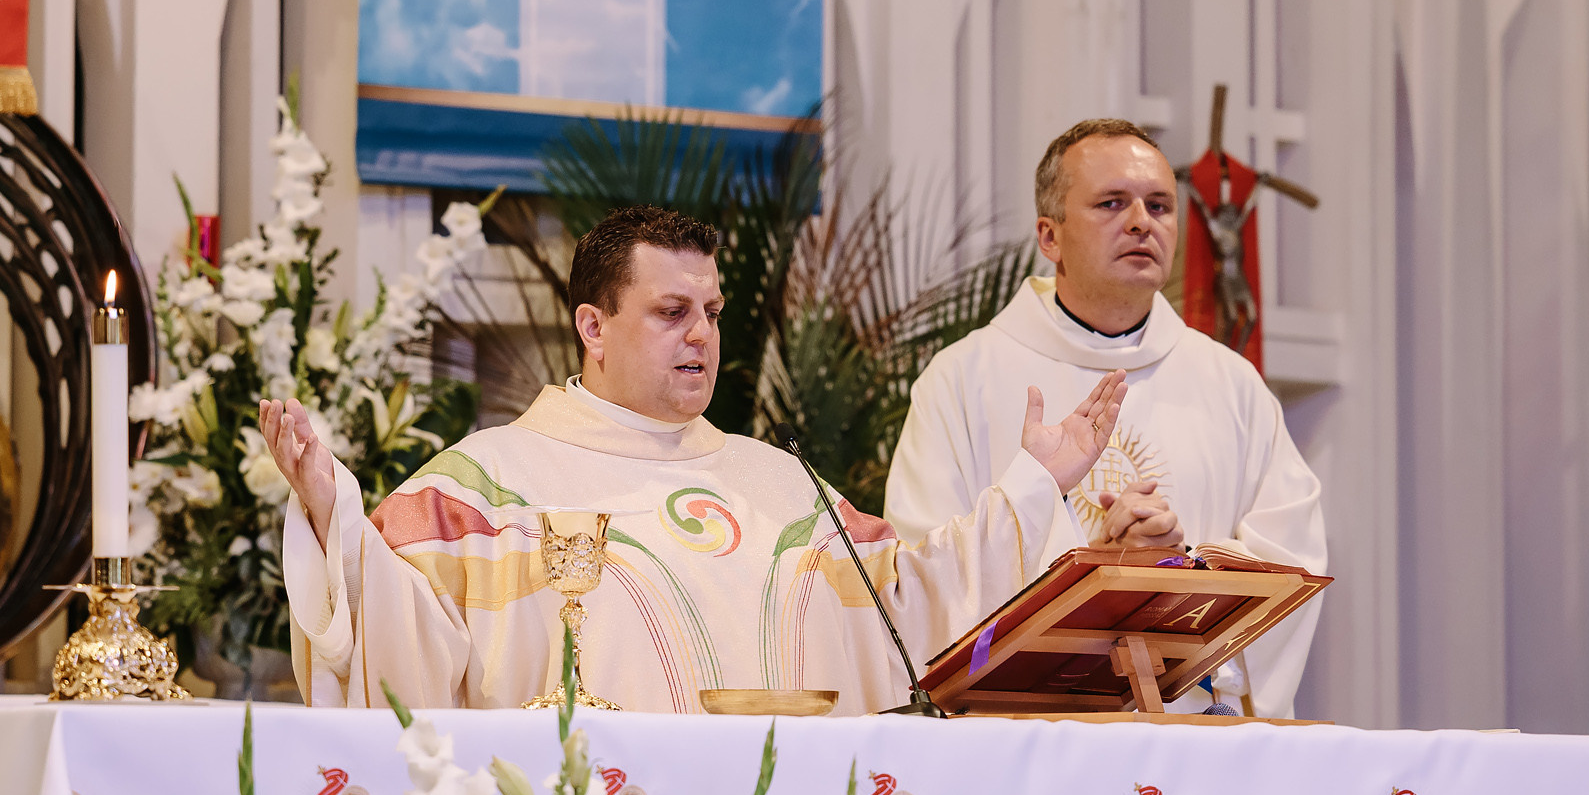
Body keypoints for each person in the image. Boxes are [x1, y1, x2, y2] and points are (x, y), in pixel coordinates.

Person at [263, 204, 1125, 713]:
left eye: (711, 310)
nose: (704, 334)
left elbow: (914, 603)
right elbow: (396, 649)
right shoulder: (484, 486)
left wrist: (1034, 485)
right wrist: (331, 512)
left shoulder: (783, 482)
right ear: (592, 327)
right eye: (672, 310)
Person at [883, 119, 1326, 718]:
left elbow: (1293, 558)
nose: (1142, 220)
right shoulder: (964, 379)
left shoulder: (1231, 385)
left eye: (1160, 205)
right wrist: (1097, 567)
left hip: (1196, 735)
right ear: (1050, 235)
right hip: (1023, 734)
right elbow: (922, 573)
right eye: (1112, 203)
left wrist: (1179, 565)